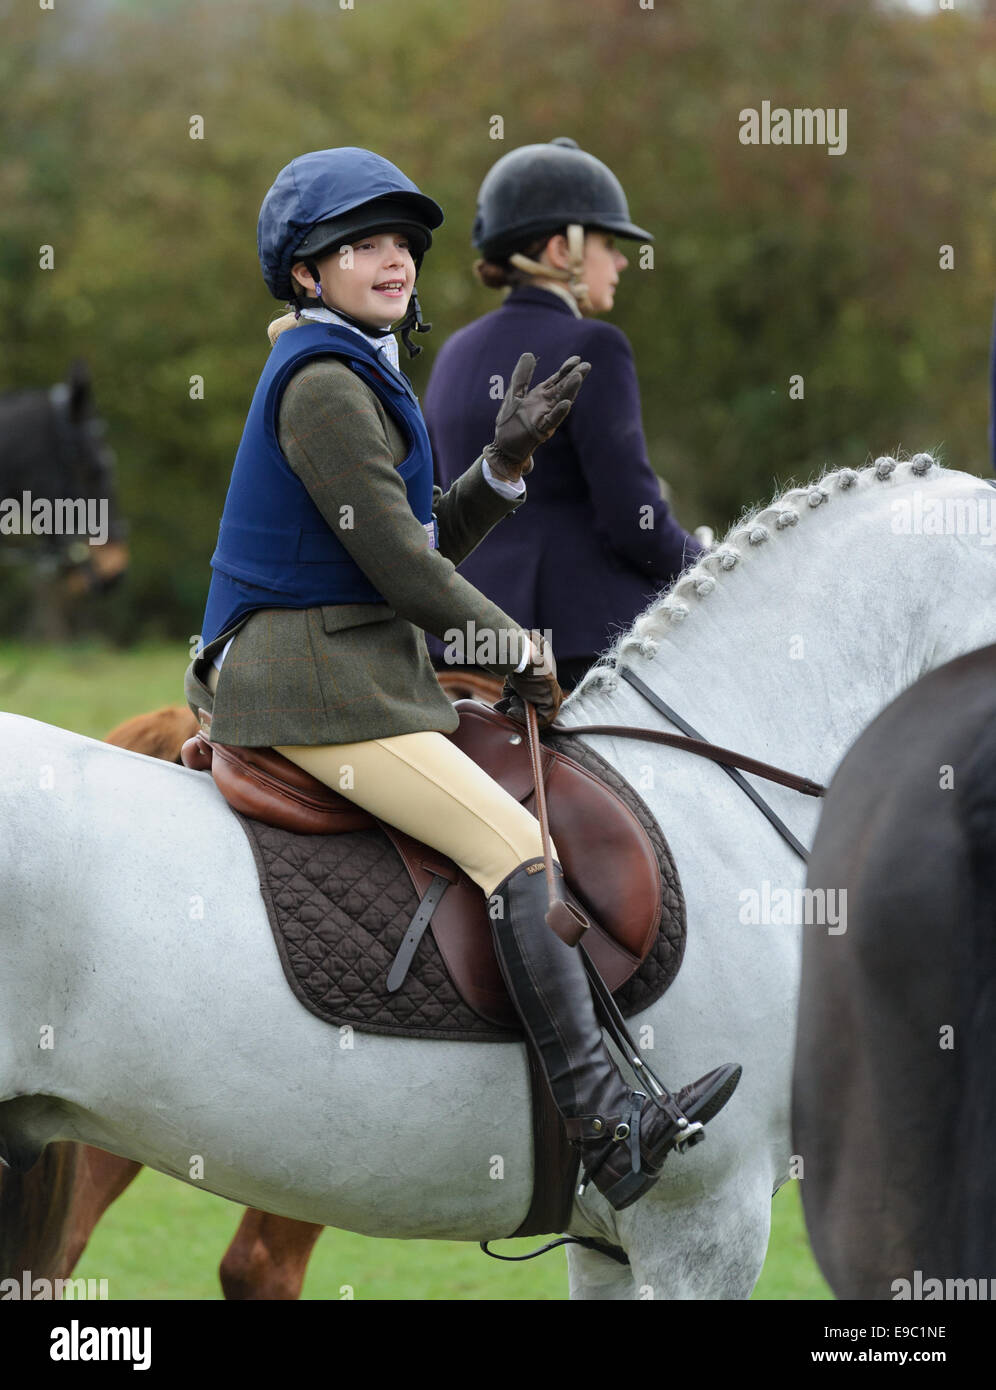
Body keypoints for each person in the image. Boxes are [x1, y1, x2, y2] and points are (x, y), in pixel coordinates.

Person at [183, 147, 740, 1211]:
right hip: (313, 687)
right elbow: (402, 570)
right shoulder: (321, 385)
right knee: (515, 845)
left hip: (346, 668)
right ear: (306, 273)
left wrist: (505, 467)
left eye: (399, 241)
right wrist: (515, 650)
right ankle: (604, 1123)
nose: (391, 259)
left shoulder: (354, 364)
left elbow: (416, 535)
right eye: (359, 244)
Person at [424, 137, 705, 693]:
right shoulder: (595, 343)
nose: (621, 261)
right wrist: (710, 564)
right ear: (561, 251)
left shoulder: (454, 351)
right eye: (608, 243)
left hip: (454, 637)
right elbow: (634, 522)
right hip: (577, 644)